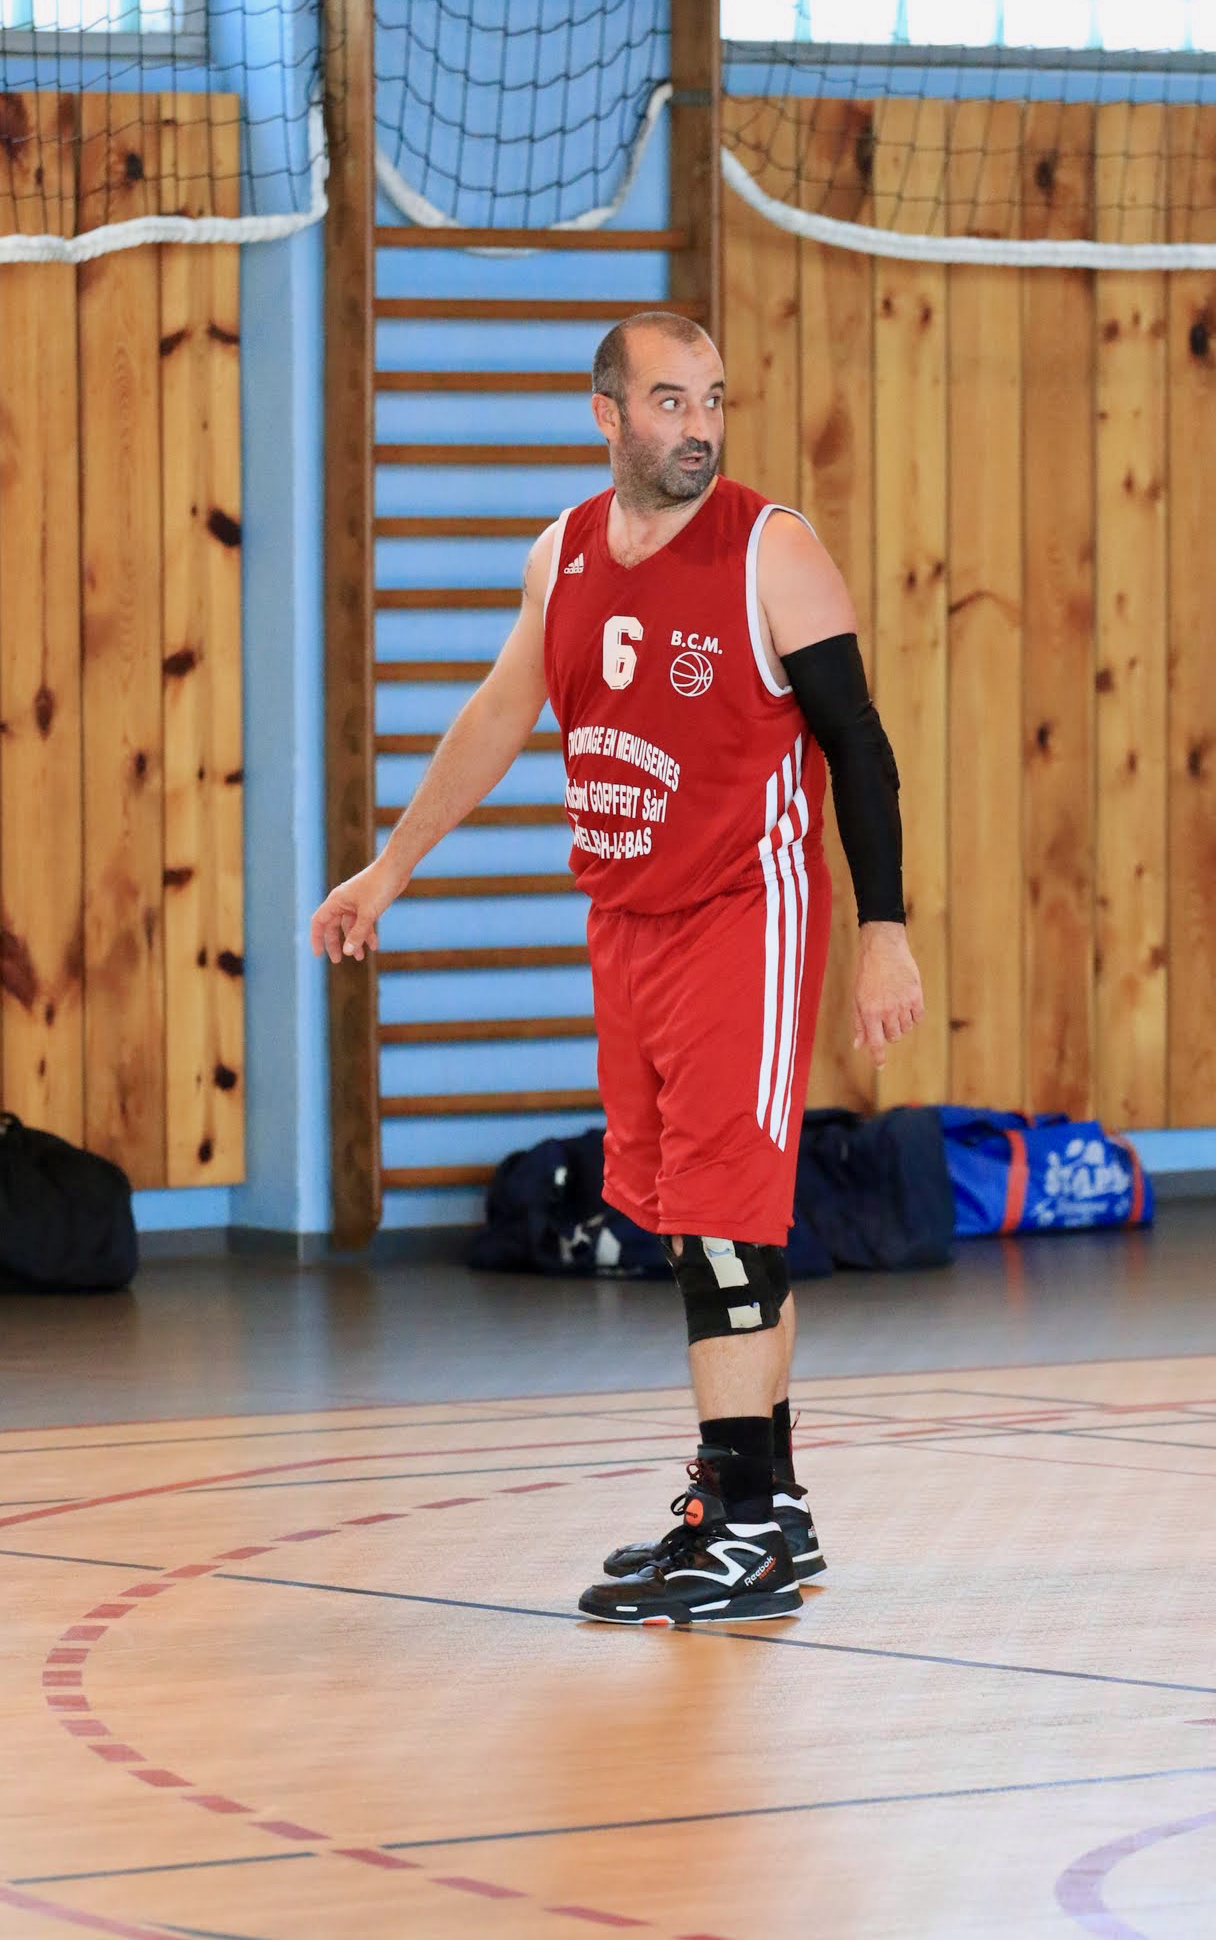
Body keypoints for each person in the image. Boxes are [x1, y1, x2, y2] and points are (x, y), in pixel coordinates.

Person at [311, 312, 924, 1626]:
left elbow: (857, 746)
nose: (700, 427)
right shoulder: (564, 553)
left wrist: (884, 926)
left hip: (743, 916)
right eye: (670, 401)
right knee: (693, 1218)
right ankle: (764, 1507)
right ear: (607, 414)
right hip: (626, 924)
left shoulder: (771, 549)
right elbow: (496, 714)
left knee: (725, 1218)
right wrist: (390, 869)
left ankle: (738, 1522)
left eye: (714, 399)